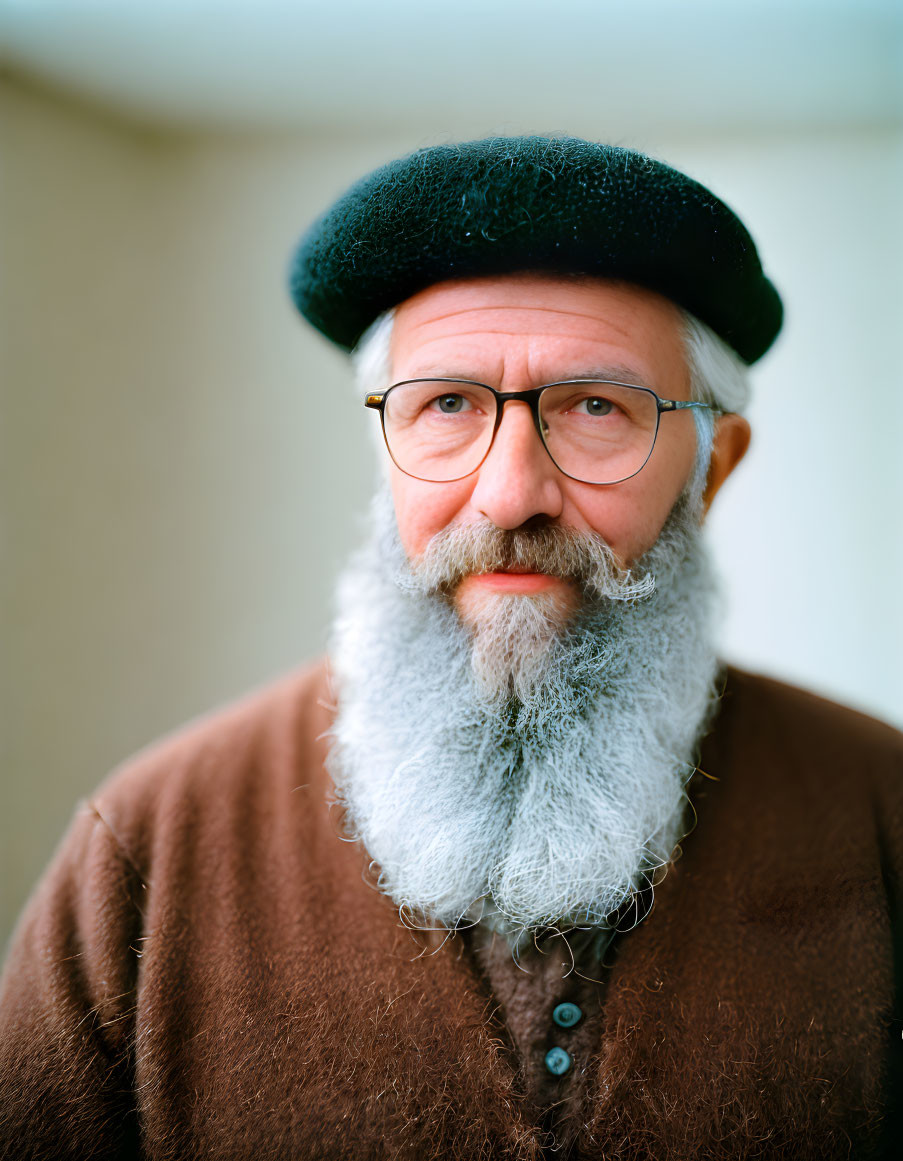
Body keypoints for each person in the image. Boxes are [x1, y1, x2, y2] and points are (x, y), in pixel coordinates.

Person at [1, 136, 900, 1160]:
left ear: (715, 465)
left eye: (597, 408)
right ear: (385, 448)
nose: (511, 492)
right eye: (448, 406)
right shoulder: (149, 852)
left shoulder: (884, 814)